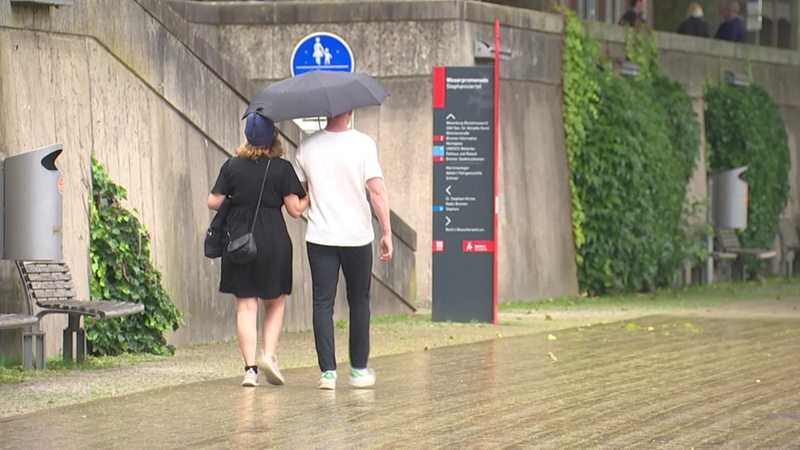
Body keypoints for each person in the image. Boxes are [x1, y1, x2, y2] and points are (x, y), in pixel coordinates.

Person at [293, 110, 393, 390]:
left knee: (322, 303)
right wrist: (386, 232)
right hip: (357, 237)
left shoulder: (306, 146)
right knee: (359, 300)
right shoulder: (364, 144)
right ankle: (358, 370)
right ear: (350, 111)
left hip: (320, 236)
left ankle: (328, 373)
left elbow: (301, 195)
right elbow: (377, 191)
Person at [208, 112, 308, 387]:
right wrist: (309, 193)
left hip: (240, 240)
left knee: (245, 305)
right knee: (275, 300)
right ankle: (269, 355)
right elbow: (295, 210)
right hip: (273, 240)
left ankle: (250, 370)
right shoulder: (282, 168)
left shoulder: (232, 166)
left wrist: (236, 198)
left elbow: (212, 201)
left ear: (247, 137)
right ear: (273, 138)